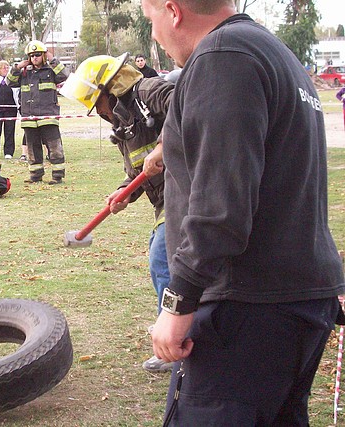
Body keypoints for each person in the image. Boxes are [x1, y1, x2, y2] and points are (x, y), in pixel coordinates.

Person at [141, 0, 345, 424]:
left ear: (173, 11)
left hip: (246, 306)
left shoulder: (223, 56)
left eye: (151, 20)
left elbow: (221, 207)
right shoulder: (275, 53)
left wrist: (178, 302)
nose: (155, 35)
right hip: (294, 299)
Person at [61, 54, 175, 372]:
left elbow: (191, 106)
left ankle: (173, 342)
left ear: (111, 90)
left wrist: (164, 145)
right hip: (166, 200)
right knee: (173, 264)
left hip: (191, 192)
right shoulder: (125, 123)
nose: (97, 112)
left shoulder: (149, 91)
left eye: (97, 102)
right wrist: (126, 191)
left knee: (162, 259)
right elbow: (141, 168)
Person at [7, 40, 69, 184]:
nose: (35, 58)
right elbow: (9, 82)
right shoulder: (24, 73)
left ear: (43, 55)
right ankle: (35, 175)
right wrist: (17, 67)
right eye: (32, 55)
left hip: (48, 116)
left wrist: (52, 59)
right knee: (32, 148)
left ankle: (57, 175)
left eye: (38, 55)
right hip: (29, 116)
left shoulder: (50, 71)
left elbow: (64, 75)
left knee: (54, 146)